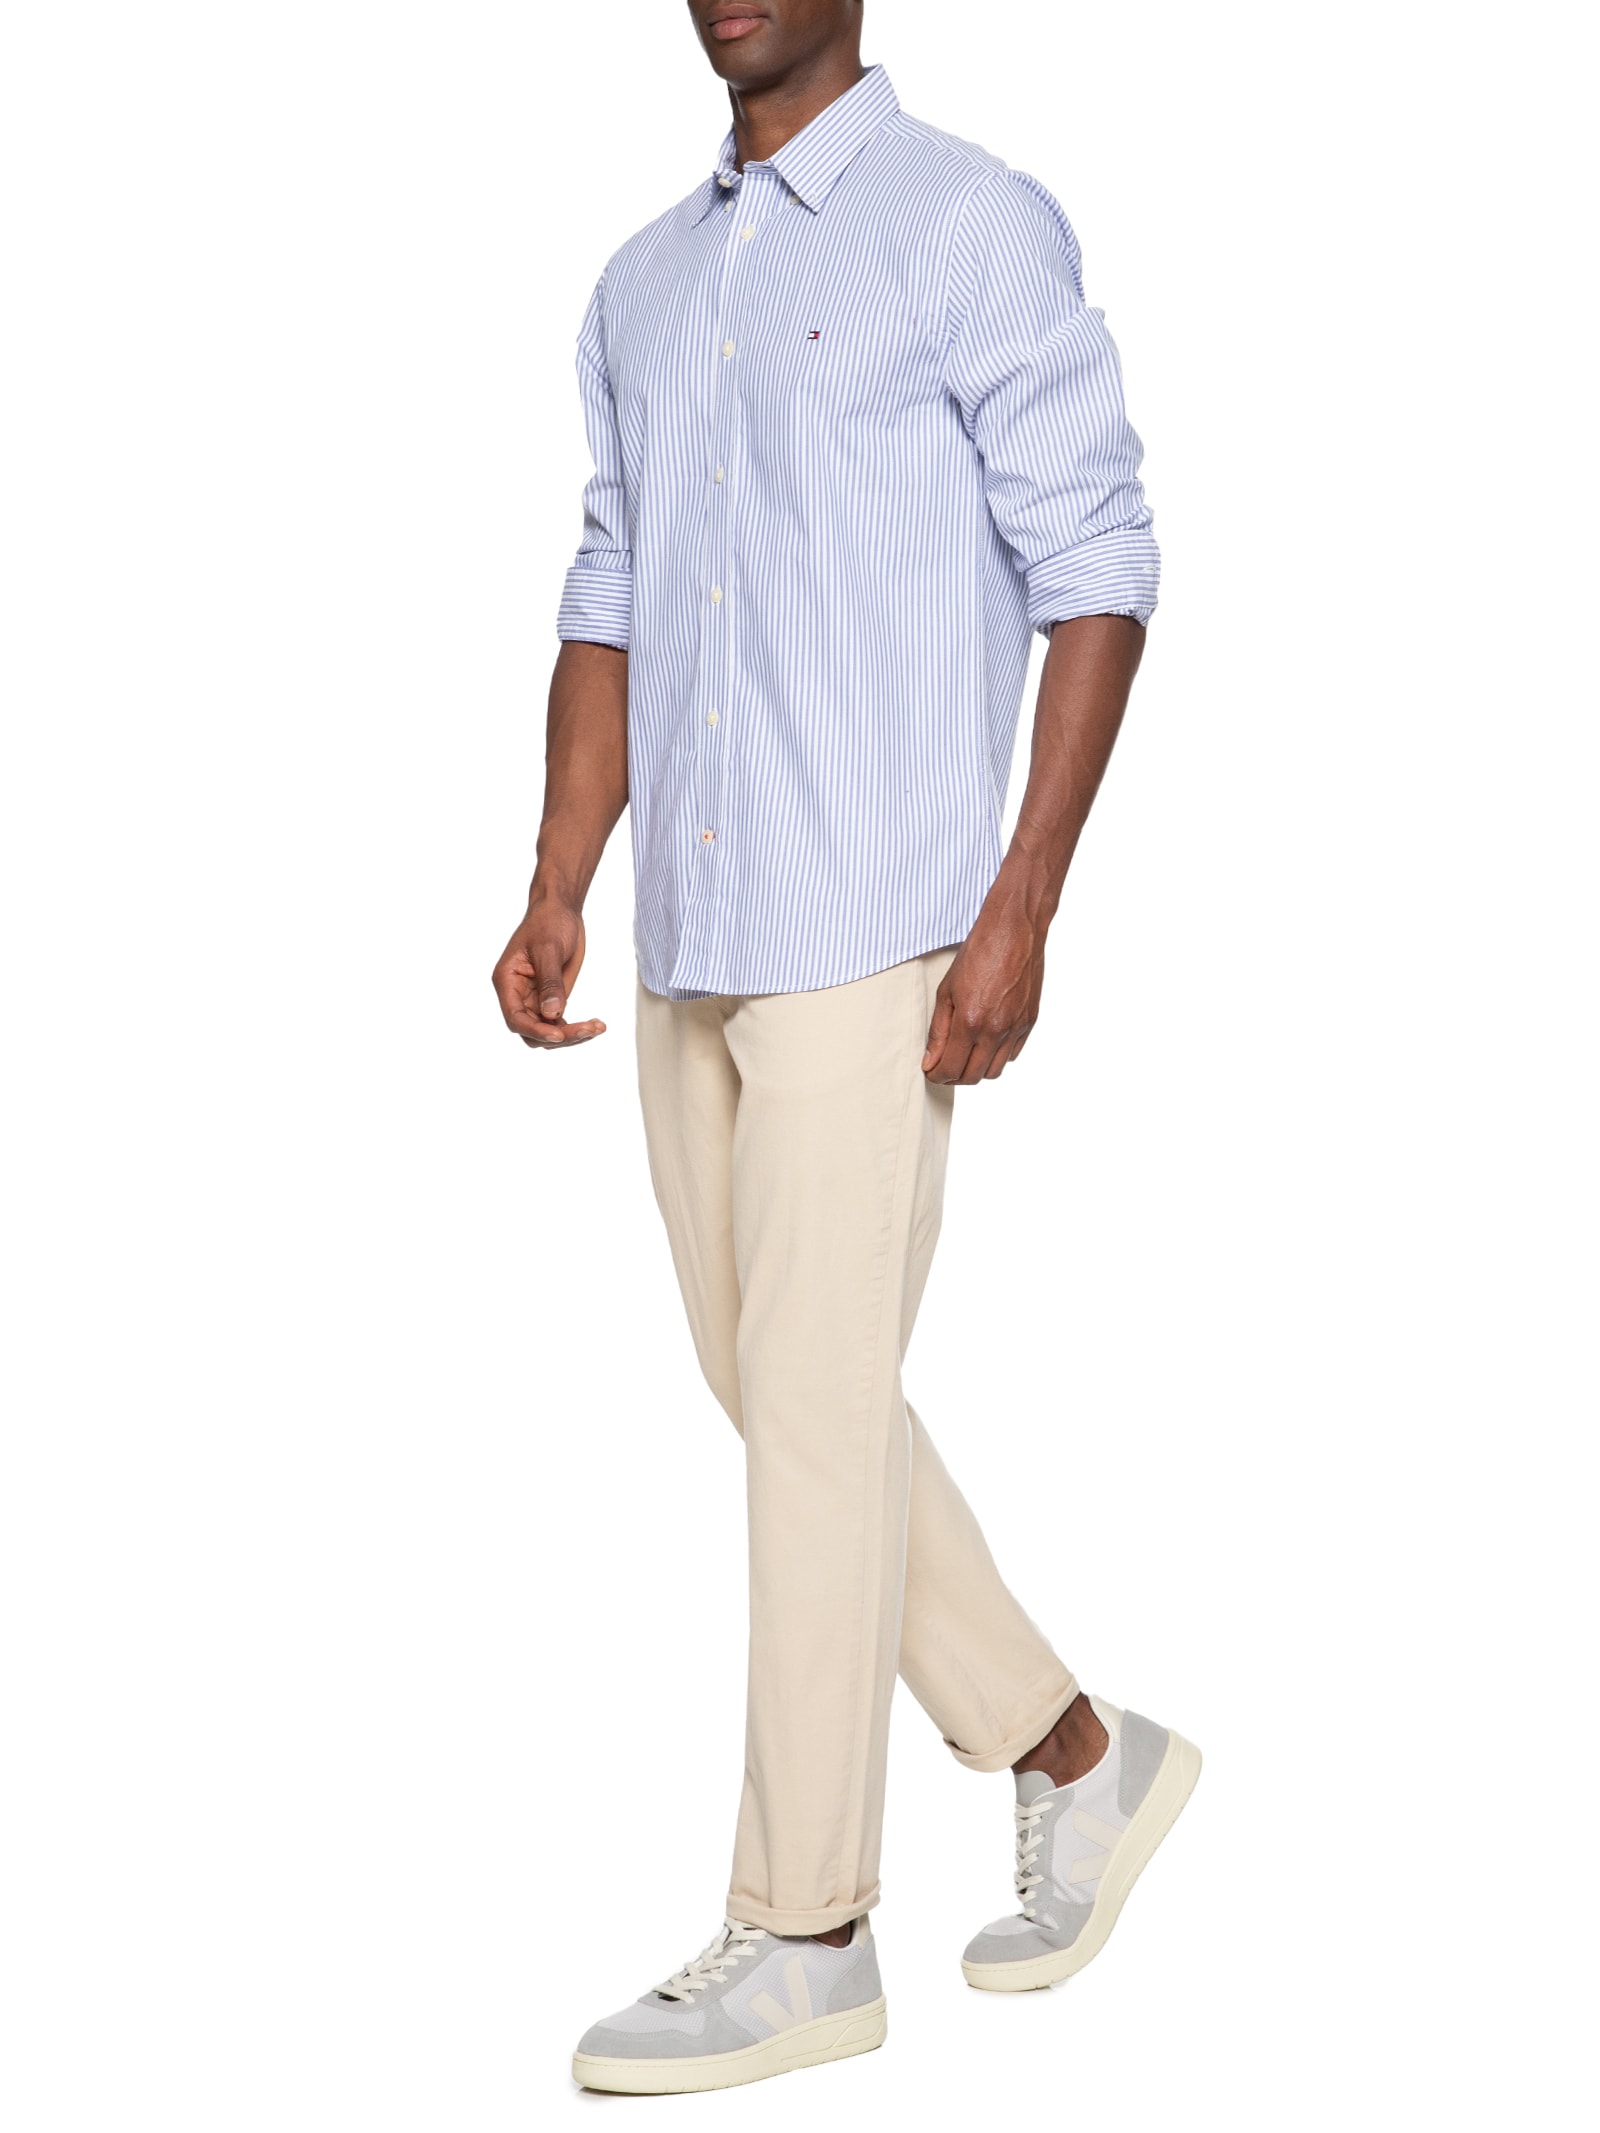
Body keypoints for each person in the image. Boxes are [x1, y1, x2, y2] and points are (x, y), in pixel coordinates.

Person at [493, 0, 1199, 2095]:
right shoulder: (640, 283)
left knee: (806, 1405)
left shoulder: (965, 224)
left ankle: (805, 1928)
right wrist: (557, 875)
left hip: (877, 923)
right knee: (782, 1390)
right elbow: (614, 583)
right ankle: (1073, 1748)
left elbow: (1098, 562)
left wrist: (1020, 901)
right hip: (696, 932)